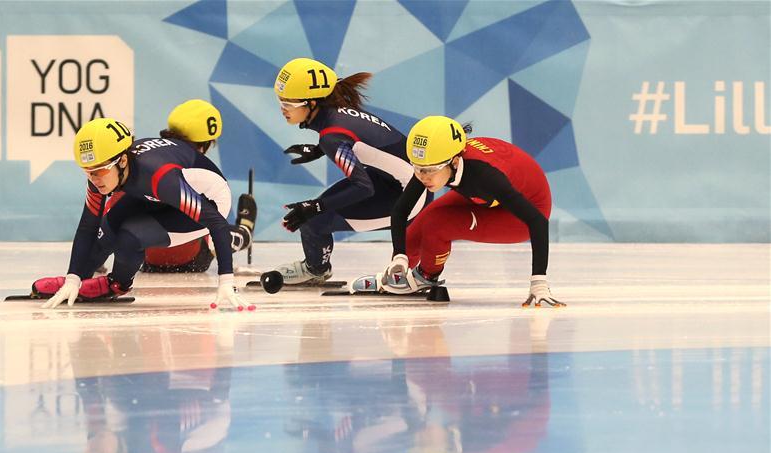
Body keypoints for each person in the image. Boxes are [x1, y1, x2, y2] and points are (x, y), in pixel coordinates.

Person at [33, 116, 254, 310]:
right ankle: (81, 282)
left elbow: (216, 222)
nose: (94, 179)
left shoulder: (160, 178)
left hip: (209, 200)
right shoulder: (105, 170)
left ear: (122, 160)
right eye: (87, 172)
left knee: (130, 235)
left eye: (99, 171)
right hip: (159, 194)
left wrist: (226, 281)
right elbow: (87, 226)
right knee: (108, 226)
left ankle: (116, 284)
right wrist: (73, 279)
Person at [365, 115, 564, 307]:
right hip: (486, 195)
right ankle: (399, 274)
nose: (423, 176)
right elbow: (400, 210)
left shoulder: (486, 176)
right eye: (417, 168)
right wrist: (400, 256)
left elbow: (537, 221)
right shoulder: (435, 160)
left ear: (455, 162)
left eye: (430, 170)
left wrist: (539, 283)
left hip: (525, 211)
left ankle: (426, 276)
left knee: (438, 223)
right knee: (421, 223)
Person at [271, 57, 430, 284]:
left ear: (313, 103)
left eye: (289, 104)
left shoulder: (331, 136)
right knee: (317, 212)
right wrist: (319, 150)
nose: (283, 109)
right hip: (392, 182)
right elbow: (363, 144)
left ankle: (315, 270)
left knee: (314, 219)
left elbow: (362, 187)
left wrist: (314, 207)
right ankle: (317, 266)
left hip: (410, 198)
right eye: (280, 101)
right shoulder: (338, 115)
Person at [140, 99, 256, 273]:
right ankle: (244, 232)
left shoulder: (144, 155)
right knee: (211, 218)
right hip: (192, 257)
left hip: (144, 255)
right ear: (206, 143)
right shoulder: (203, 170)